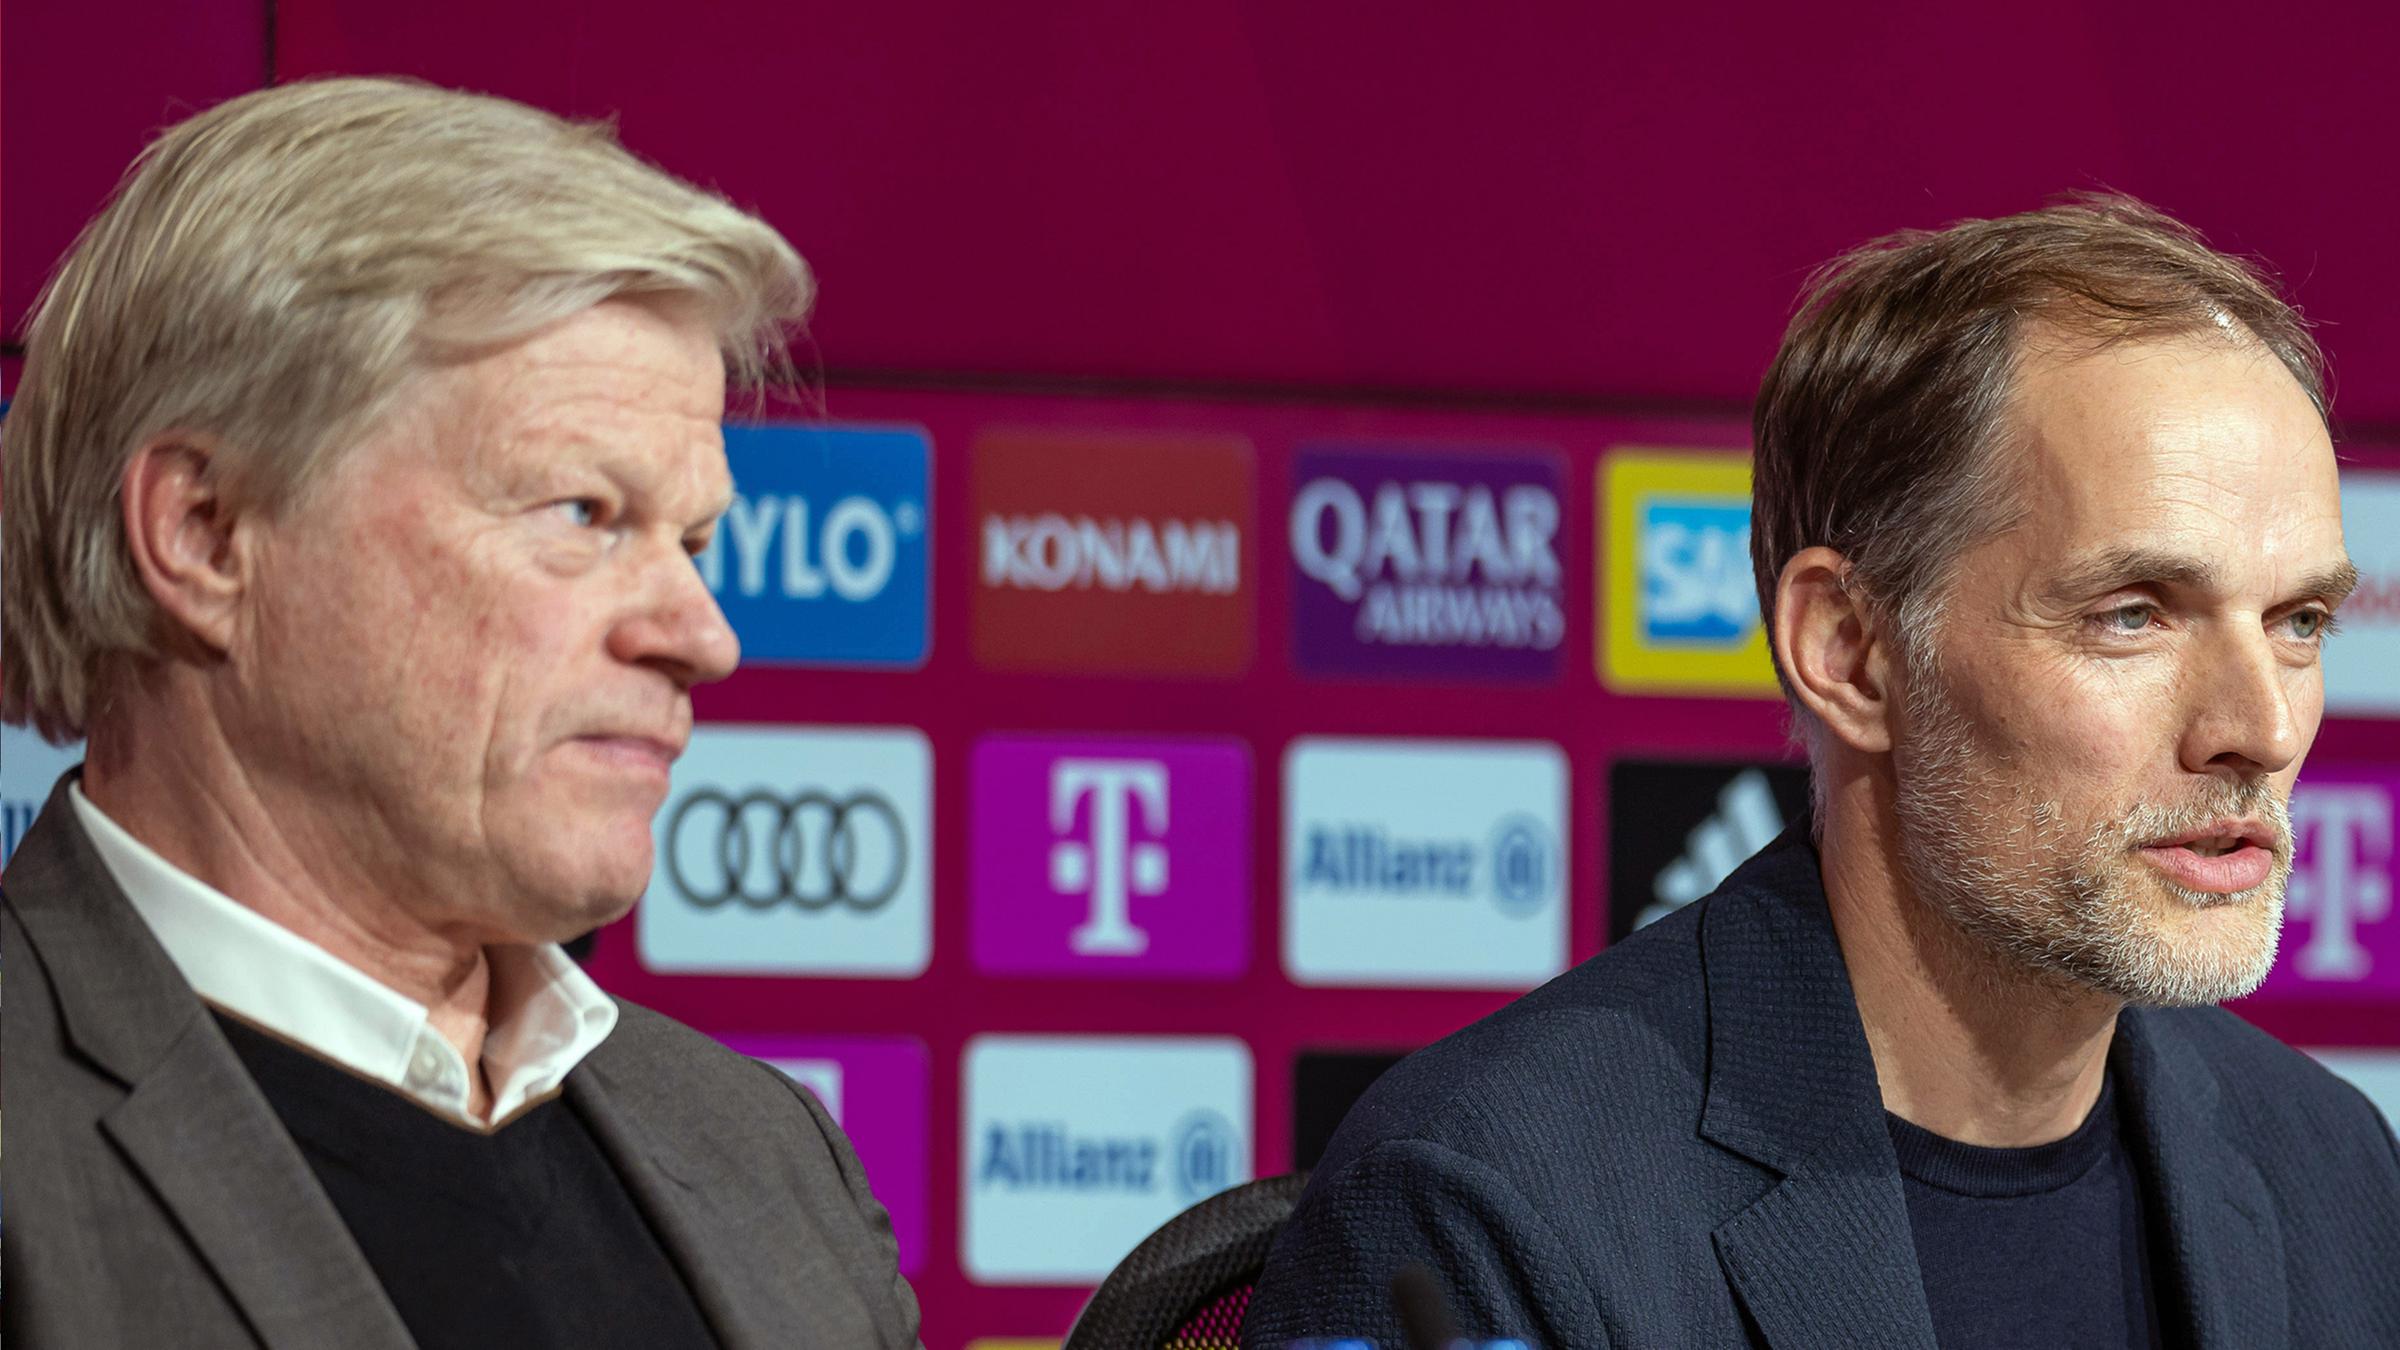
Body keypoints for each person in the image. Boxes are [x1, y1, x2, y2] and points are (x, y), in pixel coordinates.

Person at [1245, 197, 2400, 1348]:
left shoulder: (2332, 1171)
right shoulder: (1495, 1206)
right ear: (1849, 650)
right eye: (2134, 614)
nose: (2262, 726)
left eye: (2299, 622)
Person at [0, 78, 920, 1349]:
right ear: (206, 535)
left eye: (697, 540)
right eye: (581, 514)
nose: (705, 636)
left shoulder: (768, 1159)